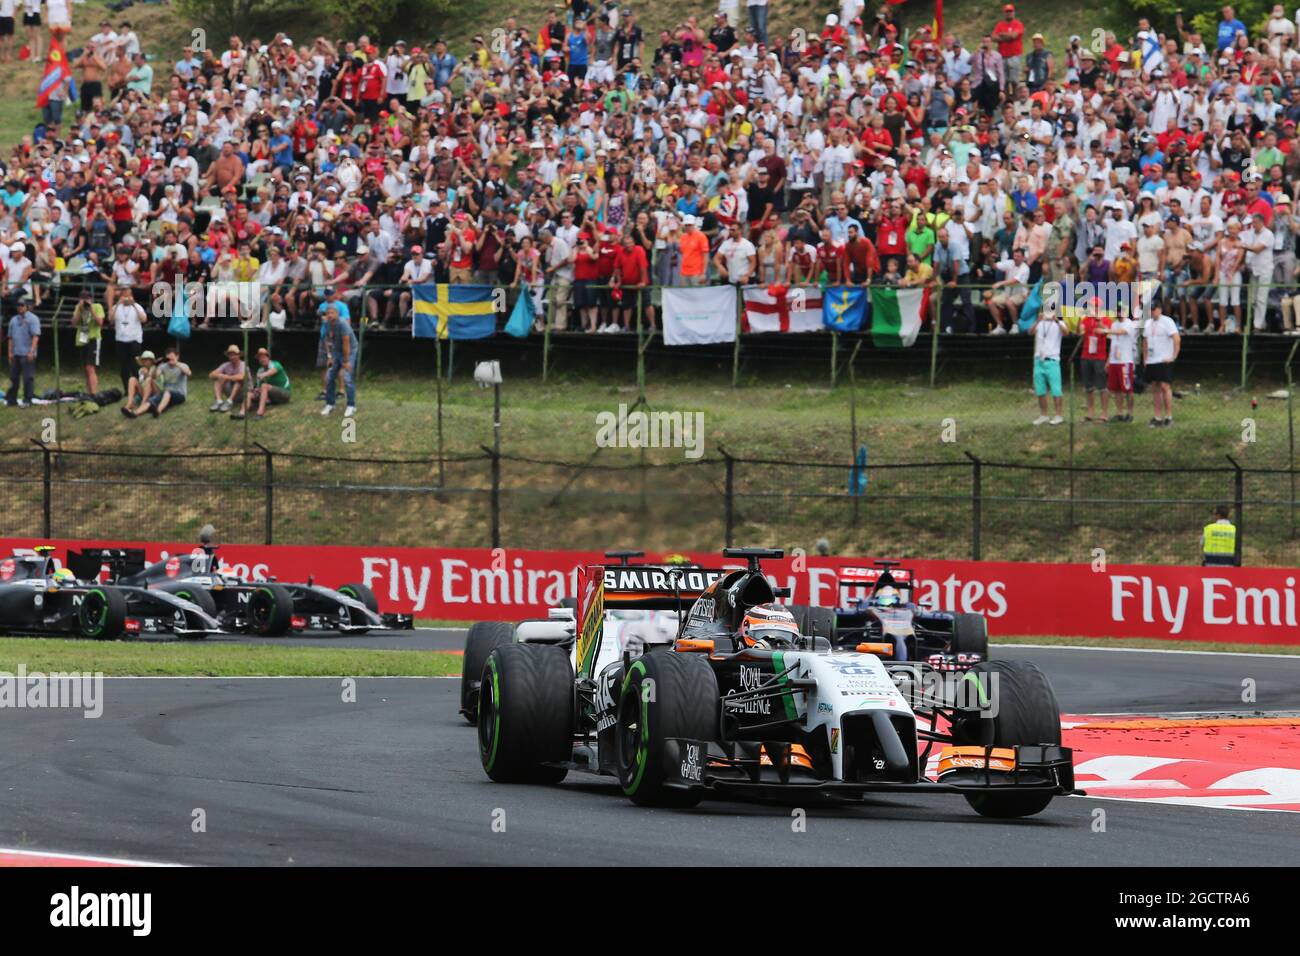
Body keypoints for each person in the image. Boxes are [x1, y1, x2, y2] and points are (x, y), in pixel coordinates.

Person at [1030, 299, 1067, 425]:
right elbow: (1030, 332)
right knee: (1040, 390)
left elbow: (1066, 333)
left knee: (1056, 389)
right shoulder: (1040, 323)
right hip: (1039, 360)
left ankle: (1058, 415)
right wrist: (1037, 320)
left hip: (1052, 360)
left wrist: (1056, 320)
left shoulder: (1059, 323)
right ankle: (1043, 414)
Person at [1144, 301, 1181, 427]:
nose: (1152, 312)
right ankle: (1157, 416)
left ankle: (1169, 416)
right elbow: (1145, 341)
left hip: (1164, 359)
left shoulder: (1167, 321)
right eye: (1150, 310)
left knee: (1165, 387)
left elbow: (1176, 338)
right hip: (1152, 359)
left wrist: (1173, 356)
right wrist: (1145, 358)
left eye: (1154, 309)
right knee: (1155, 387)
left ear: (1160, 309)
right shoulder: (1147, 323)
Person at [234, 347, 291, 420]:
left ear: (268, 358)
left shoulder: (275, 364)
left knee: (264, 386)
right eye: (260, 358)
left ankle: (260, 413)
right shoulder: (260, 370)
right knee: (249, 394)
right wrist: (256, 390)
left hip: (284, 394)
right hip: (271, 397)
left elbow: (273, 371)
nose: (262, 359)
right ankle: (242, 413)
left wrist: (263, 375)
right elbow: (258, 386)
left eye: (264, 357)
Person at [321, 306, 358, 418]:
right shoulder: (327, 324)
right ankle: (330, 403)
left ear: (337, 314)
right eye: (328, 313)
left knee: (347, 377)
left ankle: (351, 405)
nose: (330, 315)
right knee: (329, 377)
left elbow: (346, 344)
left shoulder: (343, 324)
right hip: (336, 351)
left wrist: (346, 362)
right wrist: (329, 356)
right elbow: (326, 339)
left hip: (349, 351)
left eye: (332, 313)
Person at [1103, 305, 1137, 423]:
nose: (1119, 312)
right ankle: (1119, 413)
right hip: (1114, 361)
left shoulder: (1129, 324)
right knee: (1116, 389)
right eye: (1117, 310)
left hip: (1125, 360)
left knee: (1127, 389)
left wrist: (1105, 330)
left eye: (1121, 310)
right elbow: (1113, 343)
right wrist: (1108, 361)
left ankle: (1130, 412)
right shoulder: (1114, 324)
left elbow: (1121, 332)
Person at [108, 286, 146, 393]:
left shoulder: (137, 307)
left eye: (128, 296)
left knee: (135, 366)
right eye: (124, 296)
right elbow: (110, 319)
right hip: (121, 341)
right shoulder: (116, 307)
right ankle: (126, 389)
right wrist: (118, 304)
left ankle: (137, 389)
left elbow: (143, 319)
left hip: (134, 340)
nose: (126, 298)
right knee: (124, 367)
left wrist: (133, 304)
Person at [72, 287, 105, 395]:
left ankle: (94, 393)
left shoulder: (97, 306)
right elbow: (74, 323)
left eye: (87, 299)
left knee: (90, 367)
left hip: (93, 338)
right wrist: (80, 309)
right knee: (86, 368)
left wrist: (91, 309)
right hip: (82, 338)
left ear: (91, 299)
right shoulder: (78, 307)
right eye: (83, 299)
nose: (85, 301)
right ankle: (89, 392)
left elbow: (100, 322)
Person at [5, 299, 39, 408]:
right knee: (14, 377)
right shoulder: (13, 320)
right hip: (16, 353)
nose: (20, 307)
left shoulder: (33, 319)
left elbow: (35, 336)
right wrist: (10, 352)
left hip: (27, 352)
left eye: (22, 305)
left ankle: (27, 400)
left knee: (28, 377)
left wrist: (32, 351)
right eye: (18, 305)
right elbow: (10, 338)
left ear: (26, 306)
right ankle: (12, 399)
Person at [145, 347, 191, 416]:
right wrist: (156, 365)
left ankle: (158, 411)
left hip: (179, 394)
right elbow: (155, 376)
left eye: (172, 358)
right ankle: (135, 412)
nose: (170, 360)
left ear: (177, 356)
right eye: (168, 358)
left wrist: (176, 363)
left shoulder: (183, 365)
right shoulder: (164, 366)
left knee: (167, 392)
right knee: (159, 396)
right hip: (165, 393)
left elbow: (189, 374)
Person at [121, 350, 162, 417]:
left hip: (156, 392)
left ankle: (143, 404)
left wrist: (147, 374)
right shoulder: (141, 370)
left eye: (146, 360)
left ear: (151, 361)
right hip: (145, 391)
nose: (144, 361)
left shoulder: (157, 368)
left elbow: (154, 377)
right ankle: (130, 403)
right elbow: (142, 383)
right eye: (143, 360)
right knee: (132, 379)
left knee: (148, 379)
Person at [208, 344, 246, 412]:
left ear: (239, 355)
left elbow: (242, 376)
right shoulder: (225, 364)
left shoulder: (243, 364)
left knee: (238, 381)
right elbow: (211, 375)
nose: (232, 357)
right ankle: (219, 401)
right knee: (219, 378)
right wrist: (220, 376)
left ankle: (229, 401)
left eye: (234, 354)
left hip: (245, 394)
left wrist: (226, 377)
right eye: (230, 355)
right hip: (231, 391)